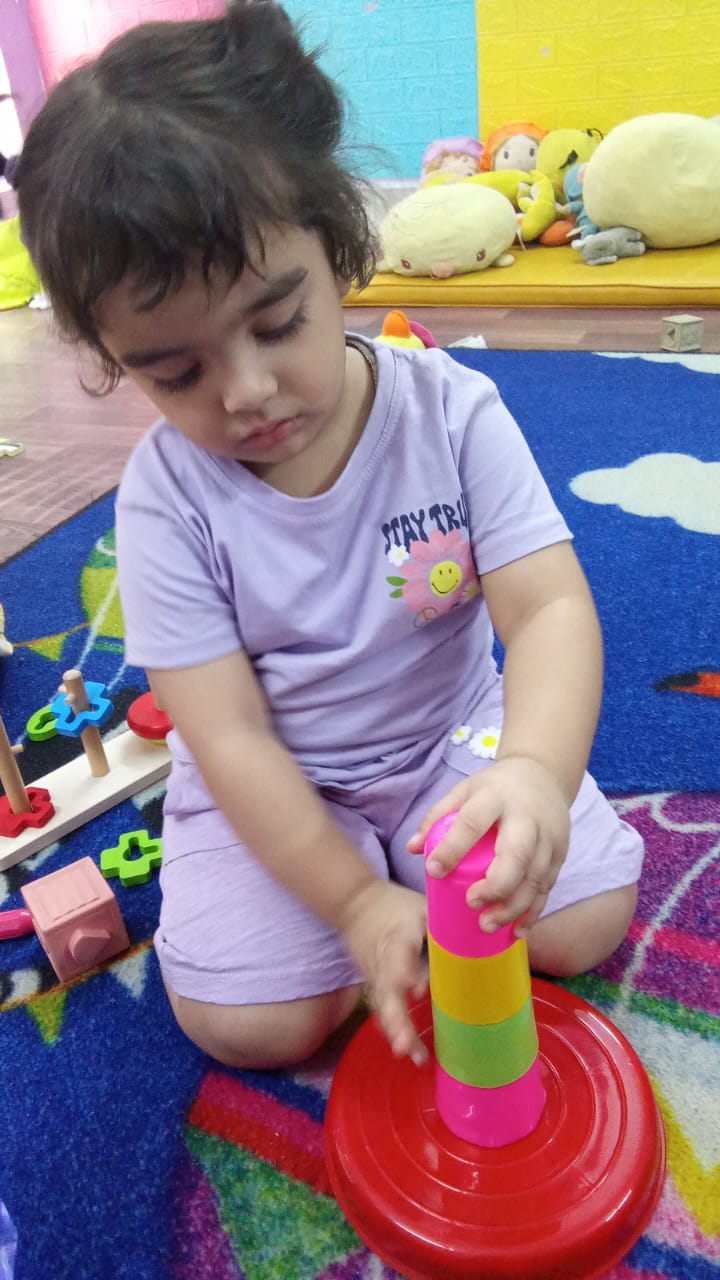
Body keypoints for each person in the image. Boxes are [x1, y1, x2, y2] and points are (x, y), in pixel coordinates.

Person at [16, 2, 644, 1072]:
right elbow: (230, 739)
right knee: (254, 1023)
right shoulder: (166, 503)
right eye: (177, 371)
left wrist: (535, 775)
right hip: (276, 785)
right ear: (122, 362)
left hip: (453, 736)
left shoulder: (452, 412)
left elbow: (546, 608)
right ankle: (370, 888)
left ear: (338, 245)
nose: (246, 391)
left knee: (582, 918)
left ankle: (419, 862)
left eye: (276, 323)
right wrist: (351, 899)